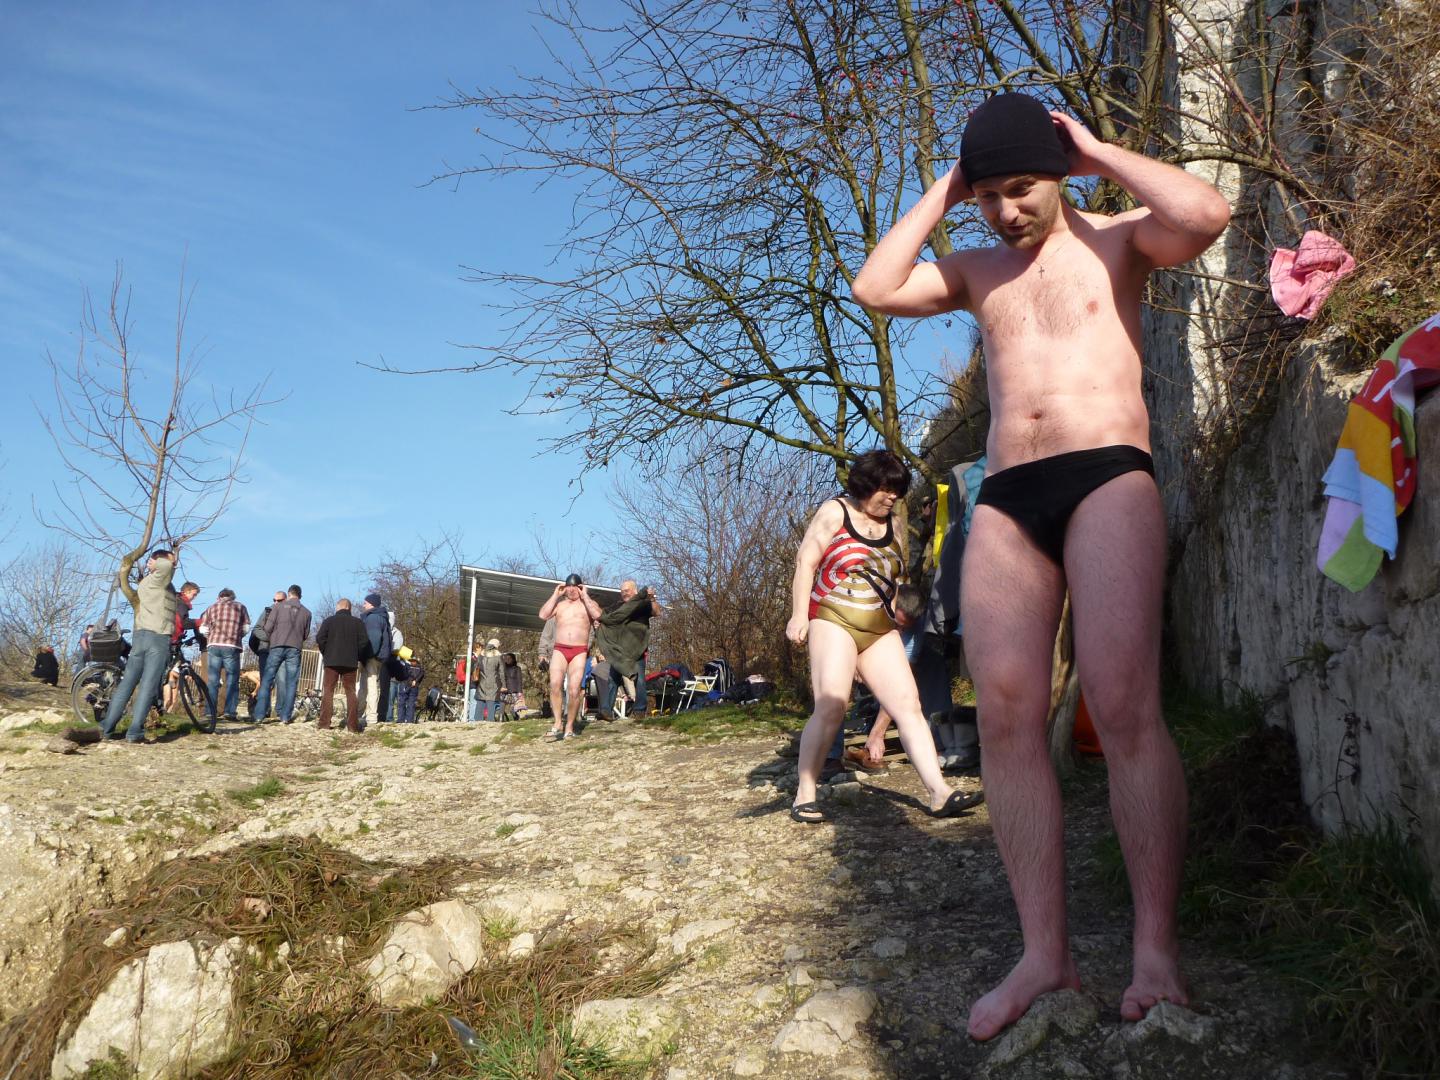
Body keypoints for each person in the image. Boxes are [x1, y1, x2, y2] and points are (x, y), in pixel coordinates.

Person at [850, 92, 1230, 1037]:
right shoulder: (976, 269)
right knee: (1007, 713)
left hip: (1108, 476)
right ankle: (1044, 955)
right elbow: (875, 287)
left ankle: (1154, 953)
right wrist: (949, 189)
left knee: (1125, 704)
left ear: (1059, 176)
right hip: (1009, 495)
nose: (1007, 210)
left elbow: (1206, 214)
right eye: (991, 196)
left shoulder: (1119, 240)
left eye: (1022, 188)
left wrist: (1097, 154)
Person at [786, 449, 982, 827]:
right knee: (832, 706)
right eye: (886, 489)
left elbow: (894, 580)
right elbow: (805, 562)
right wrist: (798, 615)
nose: (892, 497)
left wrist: (895, 624)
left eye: (898, 491)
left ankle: (939, 792)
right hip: (833, 617)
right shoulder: (836, 511)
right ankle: (805, 792)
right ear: (866, 483)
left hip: (879, 626)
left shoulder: (894, 525)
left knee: (908, 704)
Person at [100, 547, 179, 743]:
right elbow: (167, 566)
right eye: (171, 561)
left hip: (141, 637)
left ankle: (107, 728)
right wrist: (158, 561)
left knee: (127, 683)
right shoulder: (159, 579)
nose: (174, 564)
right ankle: (135, 731)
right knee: (148, 685)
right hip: (157, 638)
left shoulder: (147, 582)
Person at [537, 573, 601, 740]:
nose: (571, 590)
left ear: (580, 587)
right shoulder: (560, 605)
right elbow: (543, 615)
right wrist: (555, 595)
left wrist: (585, 595)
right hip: (560, 649)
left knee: (574, 690)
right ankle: (558, 723)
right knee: (555, 684)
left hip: (579, 651)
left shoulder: (588, 604)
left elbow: (598, 615)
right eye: (569, 587)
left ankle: (569, 726)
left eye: (575, 587)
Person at [595, 580, 662, 720]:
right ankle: (606, 711)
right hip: (620, 651)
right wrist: (598, 621)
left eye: (627, 590)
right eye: (622, 591)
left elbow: (657, 612)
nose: (624, 593)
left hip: (637, 650)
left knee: (640, 680)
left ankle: (639, 710)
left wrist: (652, 599)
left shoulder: (642, 604)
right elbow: (604, 616)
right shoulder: (617, 606)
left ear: (635, 591)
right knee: (612, 679)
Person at [253, 585, 311, 724]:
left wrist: (275, 636)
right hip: (294, 649)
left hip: (276, 646)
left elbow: (267, 628)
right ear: (300, 596)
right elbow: (305, 634)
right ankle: (285, 717)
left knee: (267, 680)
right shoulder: (307, 612)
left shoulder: (277, 608)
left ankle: (259, 715)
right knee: (291, 683)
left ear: (289, 594)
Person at [198, 587, 250, 725]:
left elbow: (203, 628)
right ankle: (229, 712)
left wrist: (210, 636)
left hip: (214, 645)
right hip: (232, 646)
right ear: (233, 597)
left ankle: (210, 711)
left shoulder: (211, 607)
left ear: (220, 596)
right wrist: (237, 636)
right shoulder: (240, 607)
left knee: (213, 680)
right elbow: (246, 628)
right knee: (232, 679)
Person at [314, 598, 367, 732]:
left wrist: (326, 652)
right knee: (351, 692)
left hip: (331, 661)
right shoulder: (358, 623)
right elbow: (364, 642)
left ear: (338, 607)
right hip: (350, 662)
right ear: (349, 608)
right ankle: (352, 726)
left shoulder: (329, 621)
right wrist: (357, 655)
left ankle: (324, 723)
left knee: (328, 691)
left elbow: (320, 638)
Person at [357, 593, 393, 729]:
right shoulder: (382, 617)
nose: (363, 605)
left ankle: (371, 716)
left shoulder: (372, 618)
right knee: (365, 686)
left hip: (371, 656)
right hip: (377, 657)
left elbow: (374, 640)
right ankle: (360, 714)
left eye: (365, 603)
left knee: (369, 686)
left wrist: (366, 655)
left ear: (371, 604)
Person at [249, 590, 285, 720]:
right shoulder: (268, 611)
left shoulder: (288, 613)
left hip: (281, 650)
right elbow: (256, 629)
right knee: (265, 681)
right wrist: (269, 640)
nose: (275, 602)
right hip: (265, 650)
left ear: (285, 600)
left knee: (282, 681)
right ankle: (264, 710)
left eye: (279, 600)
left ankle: (280, 711)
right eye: (274, 600)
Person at [473, 637, 504, 722]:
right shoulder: (498, 656)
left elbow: (476, 667)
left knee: (480, 701)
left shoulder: (481, 655)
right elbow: (502, 672)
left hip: (482, 682)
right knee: (491, 702)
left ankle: (477, 720)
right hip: (494, 683)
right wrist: (504, 685)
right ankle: (490, 720)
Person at [395, 653, 424, 724]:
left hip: (405, 685)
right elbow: (421, 675)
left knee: (402, 702)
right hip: (415, 687)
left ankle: (401, 719)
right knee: (411, 703)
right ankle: (409, 720)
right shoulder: (420, 668)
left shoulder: (406, 666)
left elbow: (404, 674)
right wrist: (416, 681)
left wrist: (410, 681)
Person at [501, 651, 524, 719]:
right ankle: (501, 718)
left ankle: (516, 717)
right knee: (502, 705)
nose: (507, 660)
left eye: (509, 658)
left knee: (512, 709)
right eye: (506, 658)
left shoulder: (517, 668)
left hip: (514, 691)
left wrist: (520, 692)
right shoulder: (503, 668)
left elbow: (519, 680)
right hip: (505, 690)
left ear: (513, 659)